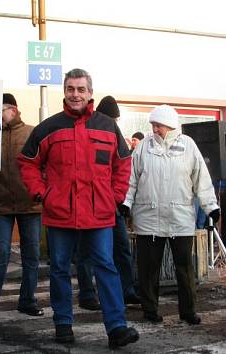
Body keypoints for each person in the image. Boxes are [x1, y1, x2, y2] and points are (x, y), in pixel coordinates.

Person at [18, 68, 139, 348]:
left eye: (81, 89)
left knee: (106, 267)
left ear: (90, 93)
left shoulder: (108, 126)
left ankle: (117, 328)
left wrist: (116, 195)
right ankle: (63, 324)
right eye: (71, 89)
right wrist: (42, 193)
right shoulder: (48, 128)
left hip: (99, 211)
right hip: (61, 211)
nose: (75, 94)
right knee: (60, 268)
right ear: (64, 91)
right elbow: (27, 162)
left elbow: (123, 163)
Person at [122, 105, 220, 325]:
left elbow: (201, 179)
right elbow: (132, 179)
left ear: (171, 126)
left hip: (180, 217)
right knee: (148, 269)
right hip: (148, 217)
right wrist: (126, 203)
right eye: (153, 125)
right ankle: (150, 310)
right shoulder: (143, 147)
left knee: (185, 268)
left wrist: (210, 206)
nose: (154, 129)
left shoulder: (188, 146)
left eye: (158, 125)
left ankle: (188, 311)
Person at [0, 93, 44, 322]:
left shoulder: (30, 133)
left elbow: (43, 165)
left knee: (32, 255)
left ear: (13, 110)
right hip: (1, 205)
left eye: (1, 111)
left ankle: (27, 300)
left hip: (30, 204)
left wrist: (41, 191)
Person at [95, 95, 141, 306]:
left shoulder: (115, 134)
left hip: (111, 203)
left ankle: (126, 288)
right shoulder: (95, 130)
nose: (114, 122)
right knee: (96, 251)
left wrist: (119, 199)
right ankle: (94, 291)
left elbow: (123, 169)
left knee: (120, 248)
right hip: (95, 202)